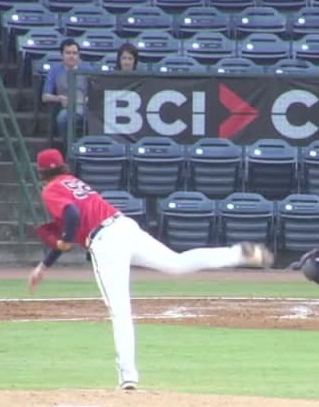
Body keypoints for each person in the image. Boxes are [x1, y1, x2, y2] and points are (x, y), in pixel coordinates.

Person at [27, 148, 274, 390]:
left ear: (40, 172)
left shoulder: (51, 190)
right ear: (62, 166)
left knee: (120, 311)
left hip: (105, 241)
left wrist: (66, 239)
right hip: (124, 226)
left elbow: (71, 216)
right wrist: (45, 264)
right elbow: (71, 219)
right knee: (177, 264)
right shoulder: (72, 181)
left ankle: (128, 377)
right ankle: (237, 253)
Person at [42, 38, 89, 145]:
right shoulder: (55, 71)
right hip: (68, 107)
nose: (71, 56)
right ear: (62, 55)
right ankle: (69, 148)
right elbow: (45, 96)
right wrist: (59, 98)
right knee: (62, 119)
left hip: (87, 107)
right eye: (68, 53)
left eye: (74, 53)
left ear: (78, 55)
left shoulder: (88, 69)